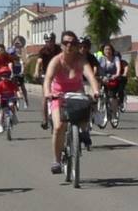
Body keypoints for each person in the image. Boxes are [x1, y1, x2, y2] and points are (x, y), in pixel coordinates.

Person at [42, 30, 102, 173]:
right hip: (59, 95)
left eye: (73, 43)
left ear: (76, 45)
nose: (69, 46)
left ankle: (82, 133)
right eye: (66, 43)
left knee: (85, 111)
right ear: (61, 45)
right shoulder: (56, 61)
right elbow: (48, 80)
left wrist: (95, 91)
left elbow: (91, 77)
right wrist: (48, 93)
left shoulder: (81, 60)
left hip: (76, 94)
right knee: (59, 126)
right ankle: (56, 160)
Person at [35, 32, 61, 129]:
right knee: (45, 96)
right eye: (47, 42)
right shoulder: (43, 51)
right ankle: (45, 119)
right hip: (46, 76)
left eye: (51, 41)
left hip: (58, 75)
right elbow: (39, 62)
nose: (49, 43)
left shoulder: (59, 49)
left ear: (54, 41)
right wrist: (36, 71)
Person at [97, 41, 128, 112]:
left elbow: (118, 67)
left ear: (112, 50)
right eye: (106, 49)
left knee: (114, 94)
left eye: (109, 49)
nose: (107, 51)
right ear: (103, 51)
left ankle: (115, 109)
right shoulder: (101, 59)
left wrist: (117, 74)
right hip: (104, 77)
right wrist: (98, 75)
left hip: (113, 77)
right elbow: (98, 68)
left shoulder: (116, 58)